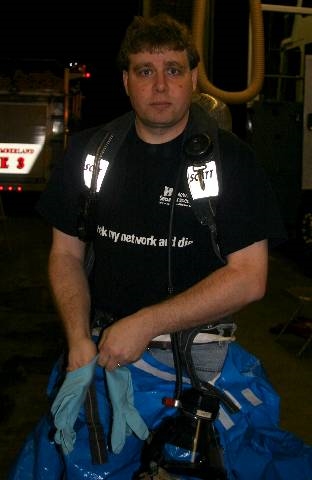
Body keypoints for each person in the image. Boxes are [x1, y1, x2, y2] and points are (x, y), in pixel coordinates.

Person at [9, 12, 312, 480]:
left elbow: (250, 277)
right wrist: (76, 340)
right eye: (145, 71)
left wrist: (146, 323)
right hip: (101, 351)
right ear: (126, 80)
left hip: (197, 362)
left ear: (193, 77)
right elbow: (65, 254)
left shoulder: (229, 161)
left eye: (173, 69)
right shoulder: (92, 154)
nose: (160, 85)